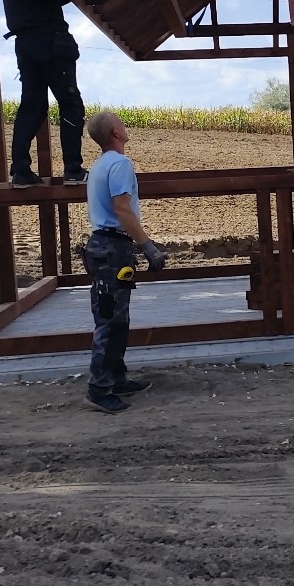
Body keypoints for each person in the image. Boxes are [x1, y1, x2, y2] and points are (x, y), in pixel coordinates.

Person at [83, 111, 166, 414]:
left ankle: (116, 379)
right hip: (112, 247)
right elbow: (122, 208)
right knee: (110, 319)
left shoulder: (98, 166)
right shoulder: (119, 164)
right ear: (116, 132)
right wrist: (147, 246)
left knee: (117, 317)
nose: (125, 126)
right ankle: (98, 389)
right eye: (122, 122)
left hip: (104, 246)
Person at [0, 0, 86, 186]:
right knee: (71, 103)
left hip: (25, 43)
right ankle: (73, 169)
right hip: (49, 41)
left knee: (32, 106)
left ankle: (21, 170)